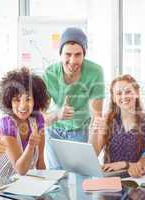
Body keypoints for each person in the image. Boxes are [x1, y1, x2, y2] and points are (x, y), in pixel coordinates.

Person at [42, 27, 105, 169]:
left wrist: (91, 156)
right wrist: (58, 115)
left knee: (80, 174)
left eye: (78, 54)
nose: (73, 60)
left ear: (84, 54)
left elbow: (96, 117)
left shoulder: (95, 72)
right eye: (68, 54)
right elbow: (41, 119)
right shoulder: (50, 74)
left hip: (80, 130)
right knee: (57, 177)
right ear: (60, 54)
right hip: (54, 131)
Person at [0, 67, 49, 185]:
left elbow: (40, 163)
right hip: (2, 189)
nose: (23, 106)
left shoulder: (38, 119)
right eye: (17, 100)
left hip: (25, 185)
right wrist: (31, 145)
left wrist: (46, 187)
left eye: (28, 99)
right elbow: (20, 169)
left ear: (35, 100)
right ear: (9, 101)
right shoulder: (6, 124)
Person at [89, 74, 145, 172]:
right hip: (110, 178)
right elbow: (93, 155)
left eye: (128, 91)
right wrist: (94, 132)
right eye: (119, 93)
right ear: (114, 98)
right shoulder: (108, 121)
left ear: (136, 93)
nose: (124, 96)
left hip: (136, 180)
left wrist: (125, 165)